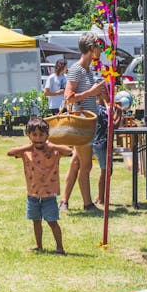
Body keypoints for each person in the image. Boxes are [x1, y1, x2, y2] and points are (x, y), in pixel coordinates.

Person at [7, 118, 72, 254]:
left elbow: (68, 150)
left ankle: (60, 247)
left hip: (49, 195)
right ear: (29, 135)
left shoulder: (54, 151)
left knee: (52, 221)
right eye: (34, 135)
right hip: (33, 195)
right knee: (36, 221)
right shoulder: (27, 152)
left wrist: (52, 145)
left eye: (41, 135)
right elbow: (10, 152)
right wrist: (28, 147)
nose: (38, 138)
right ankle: (38, 245)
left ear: (47, 135)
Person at [59, 32, 106, 213]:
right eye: (98, 46)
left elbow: (86, 96)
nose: (100, 50)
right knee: (86, 165)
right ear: (90, 48)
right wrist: (92, 92)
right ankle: (87, 204)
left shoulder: (88, 70)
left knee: (77, 163)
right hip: (81, 124)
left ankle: (64, 202)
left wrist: (98, 93)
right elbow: (68, 98)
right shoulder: (77, 69)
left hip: (87, 123)